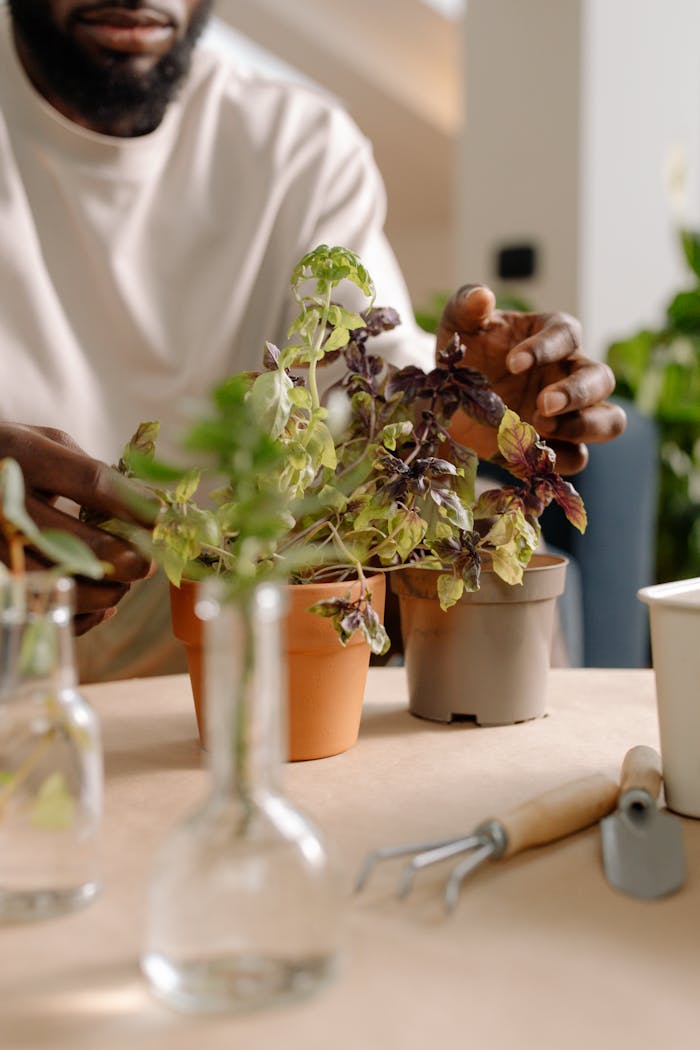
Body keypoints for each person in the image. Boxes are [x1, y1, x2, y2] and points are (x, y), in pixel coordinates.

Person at [0, 0, 626, 679]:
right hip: (23, 693)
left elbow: (368, 383)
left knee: (487, 558)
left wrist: (448, 395)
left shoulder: (296, 143)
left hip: (254, 672)